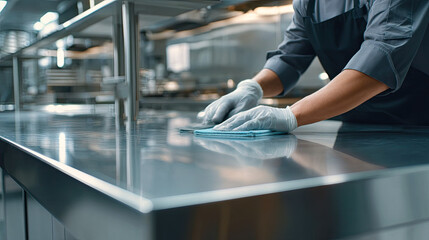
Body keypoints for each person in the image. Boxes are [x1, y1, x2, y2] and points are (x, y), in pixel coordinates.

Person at [201, 0, 429, 132]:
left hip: (418, 127)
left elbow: (382, 55)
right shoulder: (307, 3)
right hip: (356, 126)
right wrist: (252, 88)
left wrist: (290, 116)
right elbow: (290, 57)